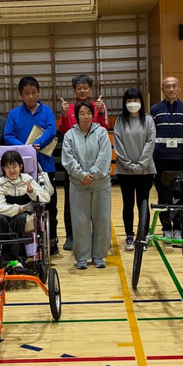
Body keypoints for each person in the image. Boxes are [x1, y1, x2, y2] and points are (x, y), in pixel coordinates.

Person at [4, 76, 60, 255]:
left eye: (34, 92)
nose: (31, 96)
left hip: (45, 166)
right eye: (27, 93)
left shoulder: (47, 111)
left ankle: (52, 240)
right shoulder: (14, 114)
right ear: (20, 94)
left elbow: (52, 130)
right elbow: (8, 135)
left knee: (49, 204)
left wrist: (39, 143)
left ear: (39, 92)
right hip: (22, 168)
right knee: (25, 204)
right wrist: (25, 148)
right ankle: (27, 241)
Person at [59, 74, 108, 252]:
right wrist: (64, 115)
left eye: (85, 87)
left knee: (97, 206)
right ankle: (71, 236)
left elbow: (103, 129)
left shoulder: (98, 106)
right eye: (78, 88)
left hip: (95, 165)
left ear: (90, 89)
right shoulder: (69, 108)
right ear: (74, 91)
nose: (82, 90)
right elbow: (65, 131)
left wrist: (100, 112)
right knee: (70, 203)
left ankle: (97, 237)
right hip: (75, 165)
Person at [61, 101, 112, 270]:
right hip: (78, 185)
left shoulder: (102, 132)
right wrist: (81, 175)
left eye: (89, 113)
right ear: (76, 116)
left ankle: (99, 256)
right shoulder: (70, 135)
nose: (86, 117)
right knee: (80, 221)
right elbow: (68, 159)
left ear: (93, 115)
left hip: (101, 184)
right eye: (82, 113)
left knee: (102, 219)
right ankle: (82, 257)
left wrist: (93, 174)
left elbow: (105, 156)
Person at [113, 87, 156, 251]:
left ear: (141, 102)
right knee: (128, 204)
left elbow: (150, 143)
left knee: (143, 202)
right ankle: (129, 235)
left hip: (146, 171)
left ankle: (143, 235)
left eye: (135, 100)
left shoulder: (148, 120)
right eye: (129, 100)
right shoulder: (120, 121)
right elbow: (118, 144)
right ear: (125, 103)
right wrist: (129, 165)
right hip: (125, 172)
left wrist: (141, 164)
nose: (132, 103)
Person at [0, 149, 51, 265]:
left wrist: (32, 192)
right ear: (3, 169)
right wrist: (16, 209)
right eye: (7, 167)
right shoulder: (1, 183)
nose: (12, 170)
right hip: (7, 214)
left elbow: (46, 197)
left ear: (20, 166)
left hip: (25, 214)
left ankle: (19, 258)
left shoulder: (27, 180)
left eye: (14, 166)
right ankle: (5, 258)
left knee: (19, 219)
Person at [150, 76, 183, 239]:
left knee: (181, 195)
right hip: (161, 160)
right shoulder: (155, 110)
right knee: (163, 195)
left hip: (181, 159)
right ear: (163, 90)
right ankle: (166, 228)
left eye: (174, 86)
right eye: (167, 86)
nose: (171, 89)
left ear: (179, 88)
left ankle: (179, 228)